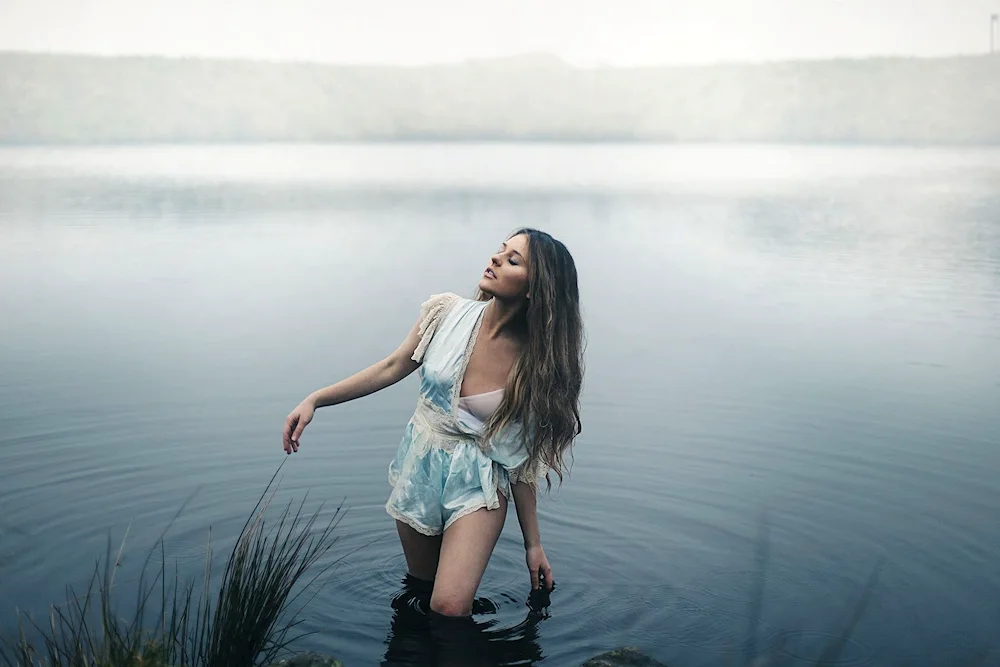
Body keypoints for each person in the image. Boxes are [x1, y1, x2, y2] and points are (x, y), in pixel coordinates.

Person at [281, 227, 584, 618]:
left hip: (479, 483)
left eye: (513, 260)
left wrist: (533, 545)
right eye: (500, 250)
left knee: (449, 606)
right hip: (421, 466)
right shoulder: (446, 314)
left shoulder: (536, 366)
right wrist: (316, 399)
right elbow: (391, 367)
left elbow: (520, 460)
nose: (495, 259)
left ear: (534, 289)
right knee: (422, 593)